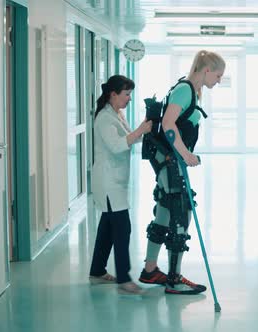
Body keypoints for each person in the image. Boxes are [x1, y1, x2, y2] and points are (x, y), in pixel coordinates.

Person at [139, 50, 226, 294]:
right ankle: (174, 280)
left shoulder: (191, 91)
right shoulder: (185, 90)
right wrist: (185, 155)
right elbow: (168, 123)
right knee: (180, 212)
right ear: (206, 70)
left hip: (168, 159)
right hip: (170, 159)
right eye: (218, 76)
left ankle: (150, 270)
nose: (218, 81)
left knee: (166, 210)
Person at [89, 75, 152, 295]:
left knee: (107, 227)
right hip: (108, 182)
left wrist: (145, 130)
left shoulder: (117, 114)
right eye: (126, 94)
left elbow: (130, 138)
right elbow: (117, 146)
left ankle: (97, 271)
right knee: (122, 228)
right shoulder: (105, 119)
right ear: (113, 94)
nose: (129, 99)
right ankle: (125, 280)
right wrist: (140, 131)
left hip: (115, 181)